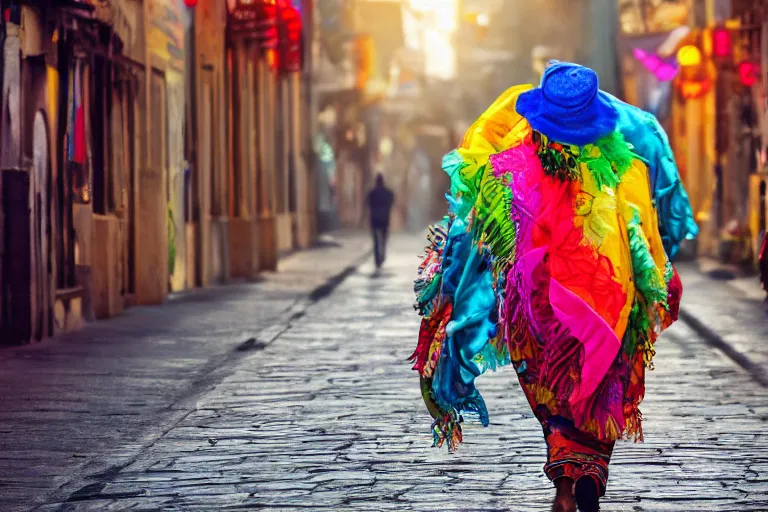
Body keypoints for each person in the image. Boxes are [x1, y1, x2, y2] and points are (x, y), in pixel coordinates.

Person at [410, 62, 696, 512]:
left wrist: (452, 305)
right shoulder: (626, 170)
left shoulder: (512, 161)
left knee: (553, 393)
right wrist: (658, 284)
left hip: (539, 312)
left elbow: (475, 234)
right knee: (602, 382)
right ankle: (590, 473)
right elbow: (647, 241)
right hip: (607, 306)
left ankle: (565, 483)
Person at [366, 174, 394, 268]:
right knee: (384, 239)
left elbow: (368, 204)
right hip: (385, 219)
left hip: (374, 219)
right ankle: (382, 256)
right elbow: (391, 202)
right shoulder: (388, 193)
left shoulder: (372, 193)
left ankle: (377, 259)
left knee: (376, 240)